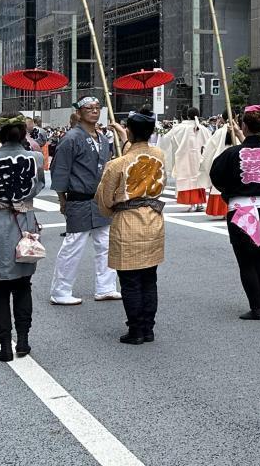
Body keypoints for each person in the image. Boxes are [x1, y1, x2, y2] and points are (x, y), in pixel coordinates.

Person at [96, 109, 166, 344]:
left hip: (127, 220)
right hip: (153, 218)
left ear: (130, 131)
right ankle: (148, 328)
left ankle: (135, 329)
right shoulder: (159, 155)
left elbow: (104, 199)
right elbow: (138, 154)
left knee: (130, 281)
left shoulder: (117, 164)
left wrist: (110, 211)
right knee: (149, 278)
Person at [49, 97, 121, 305]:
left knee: (106, 243)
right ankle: (60, 291)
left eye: (97, 108)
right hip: (79, 199)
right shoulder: (71, 138)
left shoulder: (103, 137)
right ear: (79, 113)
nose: (94, 111)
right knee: (73, 245)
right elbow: (60, 170)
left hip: (99, 199)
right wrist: (62, 199)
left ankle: (106, 287)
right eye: (88, 108)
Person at [0, 114, 45, 361]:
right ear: (23, 134)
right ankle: (23, 340)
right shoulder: (36, 158)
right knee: (23, 285)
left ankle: (5, 346)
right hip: (25, 223)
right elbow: (39, 186)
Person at [210, 106, 260, 320]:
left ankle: (256, 307)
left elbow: (216, 174)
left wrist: (228, 191)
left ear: (244, 126)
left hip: (241, 209)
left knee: (246, 261)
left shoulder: (231, 153)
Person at [158, 107, 210, 212]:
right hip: (200, 158)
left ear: (186, 116)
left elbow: (166, 139)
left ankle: (192, 203)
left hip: (184, 159)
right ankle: (199, 203)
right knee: (199, 180)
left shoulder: (179, 128)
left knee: (188, 181)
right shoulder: (204, 129)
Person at [200, 112, 236, 218]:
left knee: (220, 186)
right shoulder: (239, 132)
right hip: (234, 163)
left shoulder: (219, 132)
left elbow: (209, 149)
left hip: (221, 163)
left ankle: (223, 211)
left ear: (223, 119)